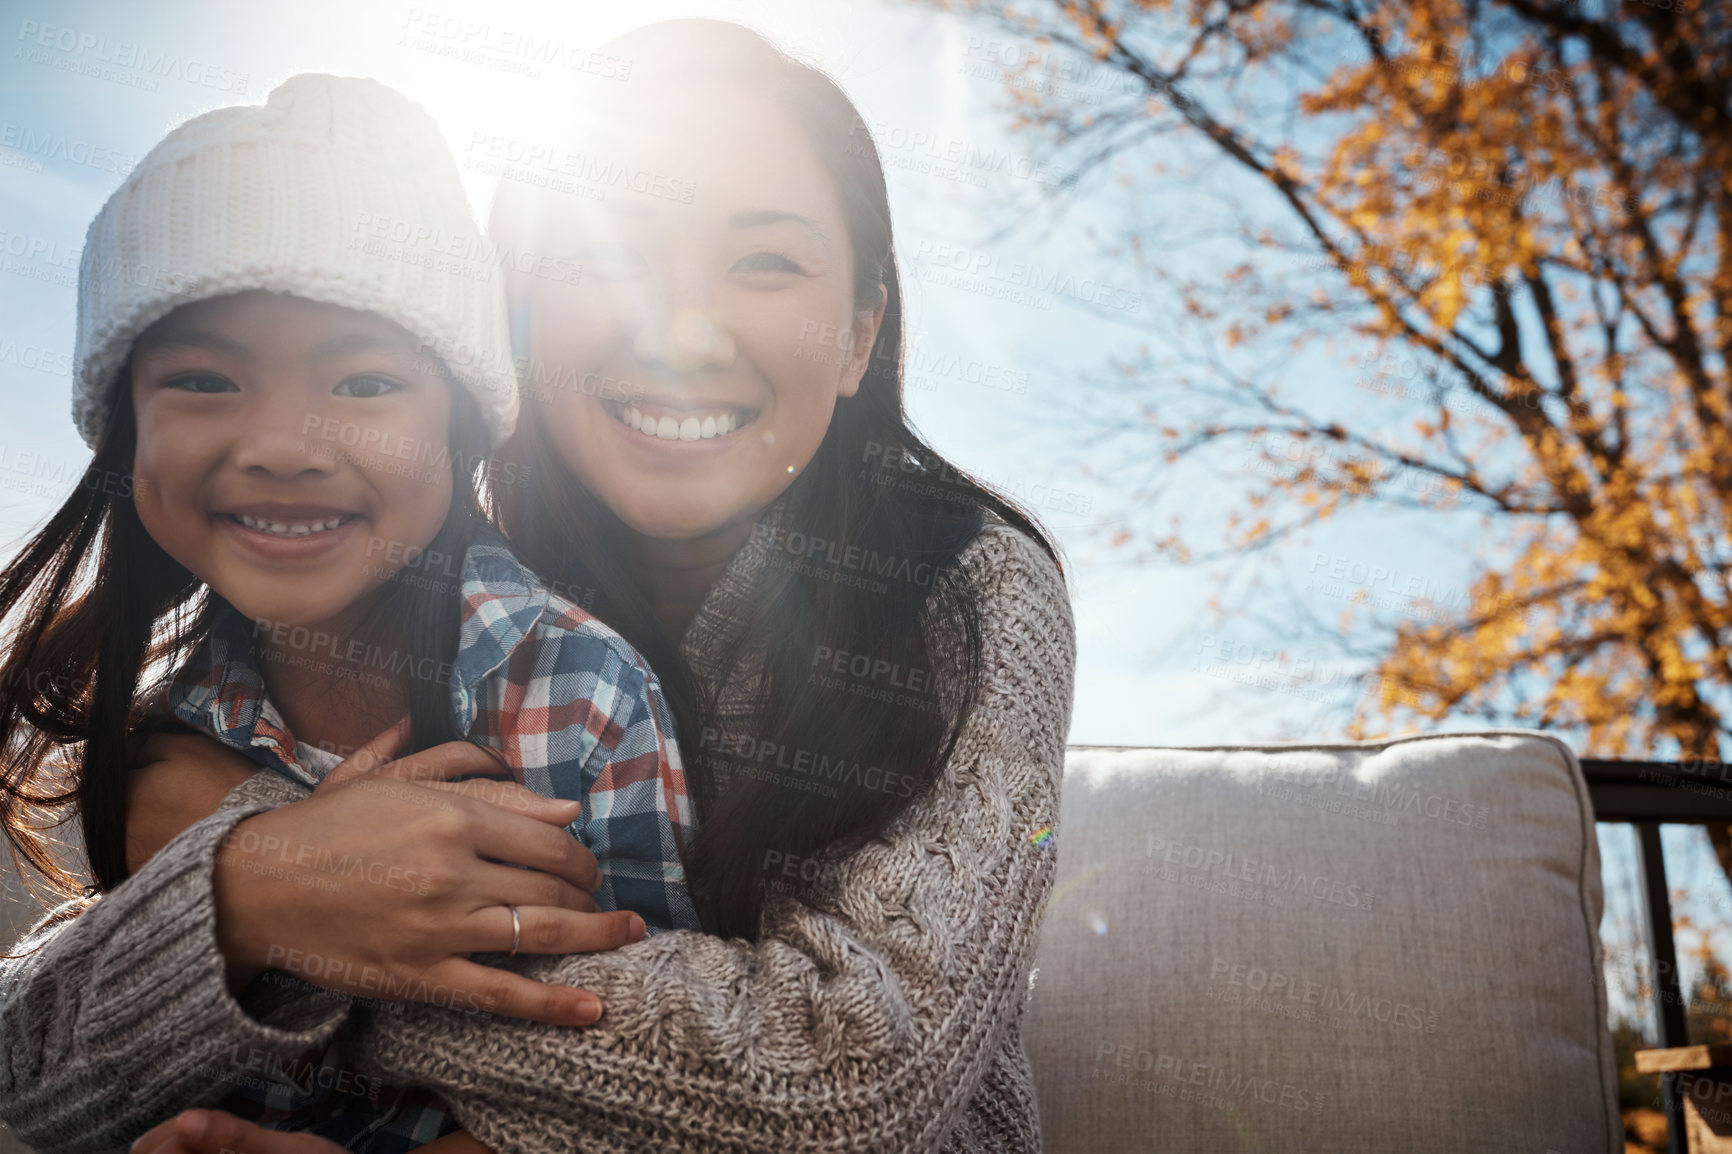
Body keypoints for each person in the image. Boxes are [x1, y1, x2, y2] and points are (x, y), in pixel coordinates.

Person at [10, 19, 1075, 1154]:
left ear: (860, 332)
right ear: (506, 316)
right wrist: (242, 883)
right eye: (601, 253)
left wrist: (282, 889)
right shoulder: (415, 585)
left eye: (765, 260)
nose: (678, 329)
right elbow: (30, 1064)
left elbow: (855, 1082)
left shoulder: (971, 594)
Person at [0, 74, 703, 1153]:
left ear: (463, 420)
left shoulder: (575, 690)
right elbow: (53, 1081)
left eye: (365, 384)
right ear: (123, 429)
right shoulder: (158, 729)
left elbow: (645, 1077)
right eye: (203, 378)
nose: (283, 441)